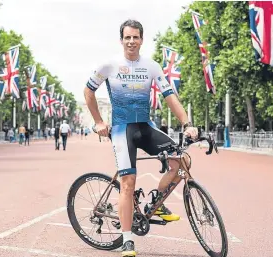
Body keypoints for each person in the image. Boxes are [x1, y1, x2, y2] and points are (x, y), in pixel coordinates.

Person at [83, 19, 198, 257]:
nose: (132, 41)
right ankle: (127, 240)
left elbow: (170, 97)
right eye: (128, 37)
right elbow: (88, 91)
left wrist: (187, 124)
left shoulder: (152, 66)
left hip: (145, 127)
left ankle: (154, 202)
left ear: (142, 40)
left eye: (136, 37)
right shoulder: (109, 65)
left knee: (182, 162)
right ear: (121, 40)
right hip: (122, 130)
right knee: (128, 183)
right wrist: (98, 121)